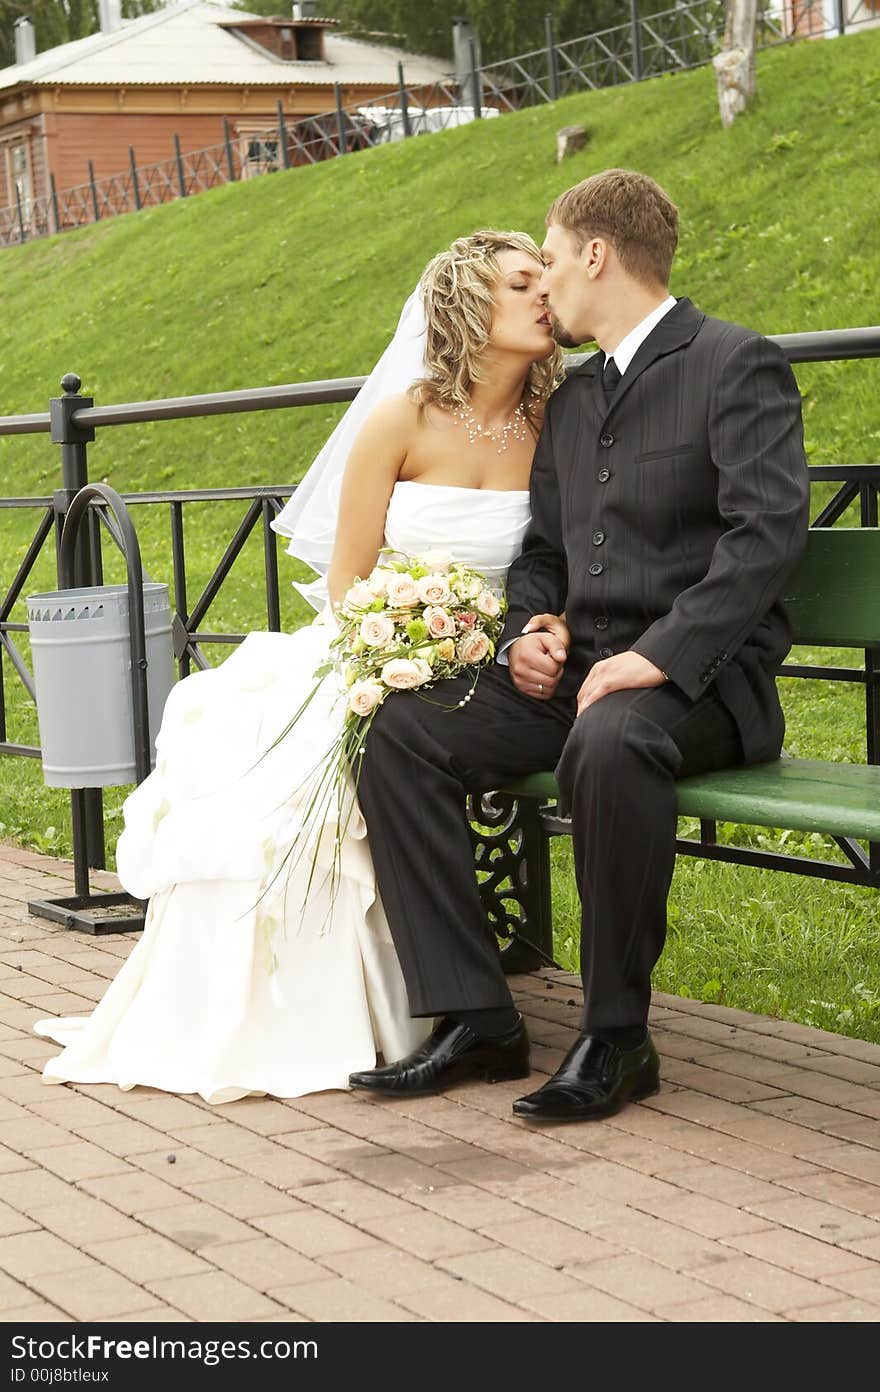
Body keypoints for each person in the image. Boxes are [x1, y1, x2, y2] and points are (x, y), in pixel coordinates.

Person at [34, 230, 566, 1103]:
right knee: (283, 788)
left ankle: (463, 1012)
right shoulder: (403, 418)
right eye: (521, 283)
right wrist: (405, 643)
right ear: (471, 306)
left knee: (385, 756)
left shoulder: (555, 422)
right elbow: (352, 581)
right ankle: (314, 1015)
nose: (543, 295)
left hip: (498, 660)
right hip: (381, 645)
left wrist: (481, 637)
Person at [348, 168, 812, 1122]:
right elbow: (546, 553)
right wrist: (532, 629)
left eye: (550, 259)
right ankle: (478, 1016)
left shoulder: (734, 362)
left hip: (705, 685)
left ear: (596, 255)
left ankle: (615, 1035)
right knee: (402, 730)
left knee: (611, 739)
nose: (544, 278)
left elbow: (766, 534)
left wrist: (665, 653)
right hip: (582, 676)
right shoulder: (573, 399)